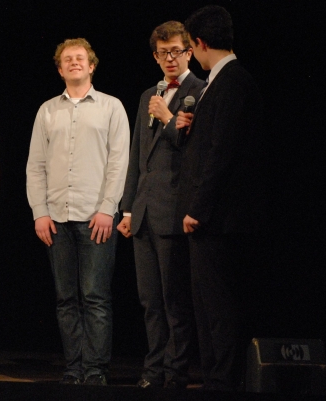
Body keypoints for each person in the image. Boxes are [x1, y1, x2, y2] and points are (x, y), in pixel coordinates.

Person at [26, 38, 130, 386]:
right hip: (56, 217)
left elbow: (119, 163)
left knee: (95, 297)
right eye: (67, 59)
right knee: (66, 298)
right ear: (59, 69)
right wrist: (40, 212)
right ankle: (73, 369)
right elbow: (35, 166)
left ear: (91, 66)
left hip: (95, 217)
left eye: (80, 58)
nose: (73, 63)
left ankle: (95, 371)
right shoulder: (47, 110)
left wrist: (107, 209)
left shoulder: (111, 107)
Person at [176, 5, 265, 391]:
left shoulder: (232, 80)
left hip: (218, 218)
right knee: (205, 304)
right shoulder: (221, 81)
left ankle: (222, 380)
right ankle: (215, 375)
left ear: (199, 43)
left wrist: (197, 208)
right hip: (213, 217)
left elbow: (222, 153)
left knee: (218, 305)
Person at [117, 20, 205, 389]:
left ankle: (175, 372)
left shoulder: (200, 91)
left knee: (175, 302)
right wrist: (127, 208)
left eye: (177, 51)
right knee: (149, 301)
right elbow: (139, 154)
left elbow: (196, 153)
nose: (170, 58)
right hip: (145, 212)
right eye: (163, 53)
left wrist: (169, 120)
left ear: (189, 51)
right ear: (155, 56)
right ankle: (152, 371)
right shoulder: (147, 96)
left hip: (173, 211)